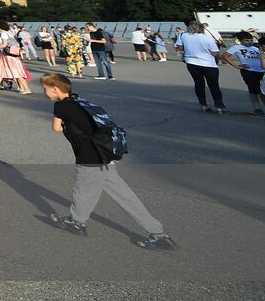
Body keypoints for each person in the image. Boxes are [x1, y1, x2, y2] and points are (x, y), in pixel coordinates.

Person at [42, 73, 175, 249]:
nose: (45, 93)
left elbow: (56, 128)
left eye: (46, 90)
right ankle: (158, 233)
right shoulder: (78, 101)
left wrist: (65, 122)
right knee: (125, 196)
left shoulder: (62, 106)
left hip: (89, 159)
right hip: (103, 156)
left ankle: (77, 222)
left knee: (82, 191)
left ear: (55, 89)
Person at [176, 22, 229, 114]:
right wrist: (223, 60)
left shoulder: (183, 35)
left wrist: (189, 49)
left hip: (192, 63)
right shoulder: (207, 38)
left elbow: (179, 47)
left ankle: (204, 105)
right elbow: (214, 53)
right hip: (208, 64)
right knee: (214, 85)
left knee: (199, 84)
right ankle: (219, 107)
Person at [230, 32, 265, 116]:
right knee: (254, 91)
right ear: (240, 41)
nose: (249, 42)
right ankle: (257, 108)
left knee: (264, 91)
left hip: (261, 71)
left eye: (251, 40)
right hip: (249, 71)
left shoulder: (255, 48)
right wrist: (236, 65)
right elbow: (225, 56)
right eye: (246, 40)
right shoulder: (236, 47)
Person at [0, 22, 32, 94]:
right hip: (9, 55)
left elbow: (4, 45)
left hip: (8, 55)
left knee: (16, 72)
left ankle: (26, 89)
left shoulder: (4, 34)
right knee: (2, 70)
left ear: (0, 27)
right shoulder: (9, 33)